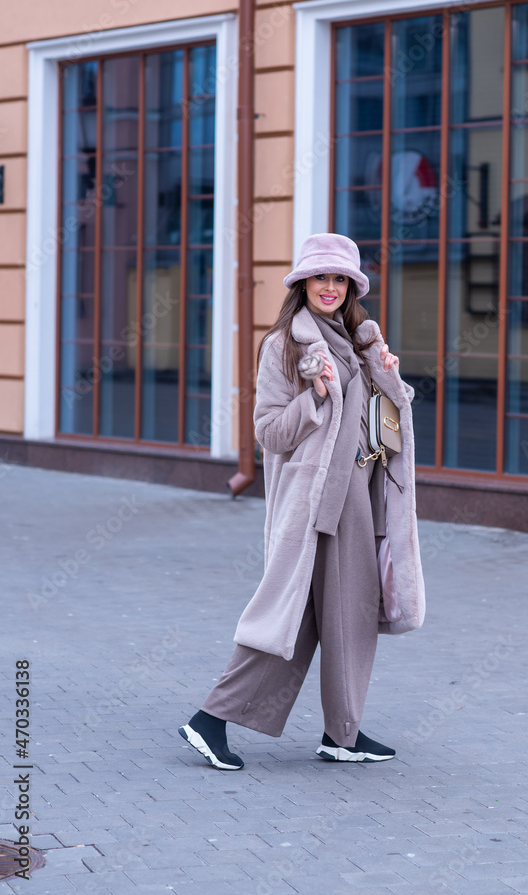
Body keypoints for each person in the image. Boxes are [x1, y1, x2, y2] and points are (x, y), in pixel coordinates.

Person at [179, 233, 425, 769]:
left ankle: (341, 733)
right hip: (315, 503)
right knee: (293, 614)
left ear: (352, 287)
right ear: (303, 284)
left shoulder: (360, 344)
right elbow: (269, 432)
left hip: (360, 497)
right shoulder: (285, 346)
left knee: (341, 619)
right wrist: (314, 396)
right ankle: (210, 719)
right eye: (321, 278)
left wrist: (388, 377)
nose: (330, 288)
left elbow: (386, 429)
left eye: (340, 279)